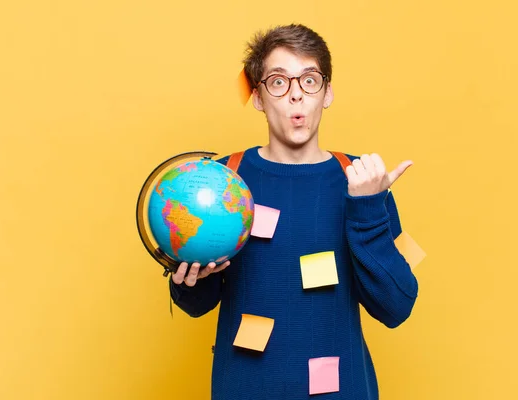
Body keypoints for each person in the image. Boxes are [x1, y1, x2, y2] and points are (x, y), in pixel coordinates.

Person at [169, 23, 418, 400]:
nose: (296, 96)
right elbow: (198, 305)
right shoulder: (222, 180)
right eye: (279, 82)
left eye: (309, 80)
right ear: (257, 96)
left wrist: (368, 208)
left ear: (327, 92)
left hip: (342, 390)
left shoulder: (363, 180)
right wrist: (189, 281)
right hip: (245, 389)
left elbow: (397, 307)